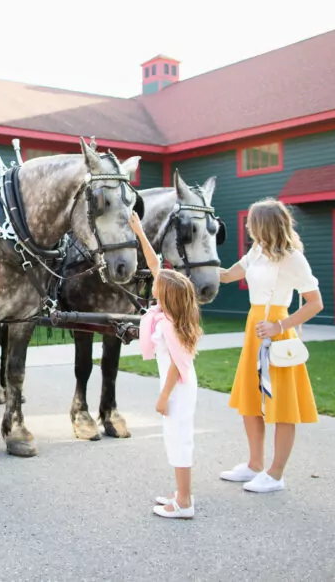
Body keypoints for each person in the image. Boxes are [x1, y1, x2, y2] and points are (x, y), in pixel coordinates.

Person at [217, 198, 324, 493]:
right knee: (250, 402)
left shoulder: (292, 258)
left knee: (282, 406)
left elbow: (315, 303)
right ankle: (254, 465)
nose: (248, 226)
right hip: (254, 328)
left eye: (251, 222)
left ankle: (276, 474)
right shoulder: (255, 252)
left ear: (263, 224)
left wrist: (279, 326)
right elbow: (226, 276)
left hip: (276, 331)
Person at [130, 211, 201, 520]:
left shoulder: (170, 326)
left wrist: (162, 397)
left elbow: (175, 366)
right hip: (178, 387)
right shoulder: (171, 314)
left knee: (178, 441)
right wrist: (139, 232)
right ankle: (181, 492)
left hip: (177, 388)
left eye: (158, 286)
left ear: (167, 296)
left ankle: (184, 502)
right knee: (175, 439)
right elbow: (155, 264)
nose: (153, 285)